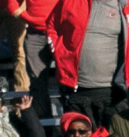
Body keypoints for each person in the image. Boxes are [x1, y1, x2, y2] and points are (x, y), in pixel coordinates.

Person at [46, 0, 126, 130]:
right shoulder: (70, 2)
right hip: (77, 91)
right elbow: (52, 26)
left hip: (112, 93)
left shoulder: (124, 5)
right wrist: (59, 54)